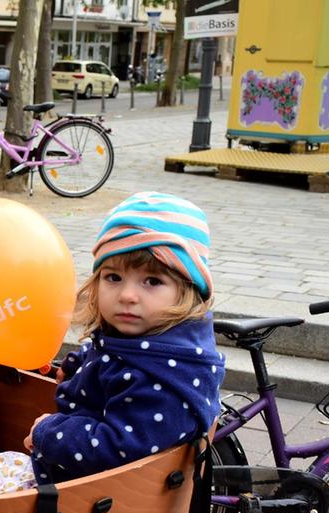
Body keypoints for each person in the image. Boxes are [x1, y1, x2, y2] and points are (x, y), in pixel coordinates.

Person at [23, 191, 226, 484]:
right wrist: (76, 363)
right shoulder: (147, 339)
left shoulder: (161, 380)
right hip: (73, 483)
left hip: (95, 500)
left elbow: (119, 448)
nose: (127, 295)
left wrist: (49, 433)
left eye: (152, 281)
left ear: (188, 290)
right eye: (113, 278)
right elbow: (111, 352)